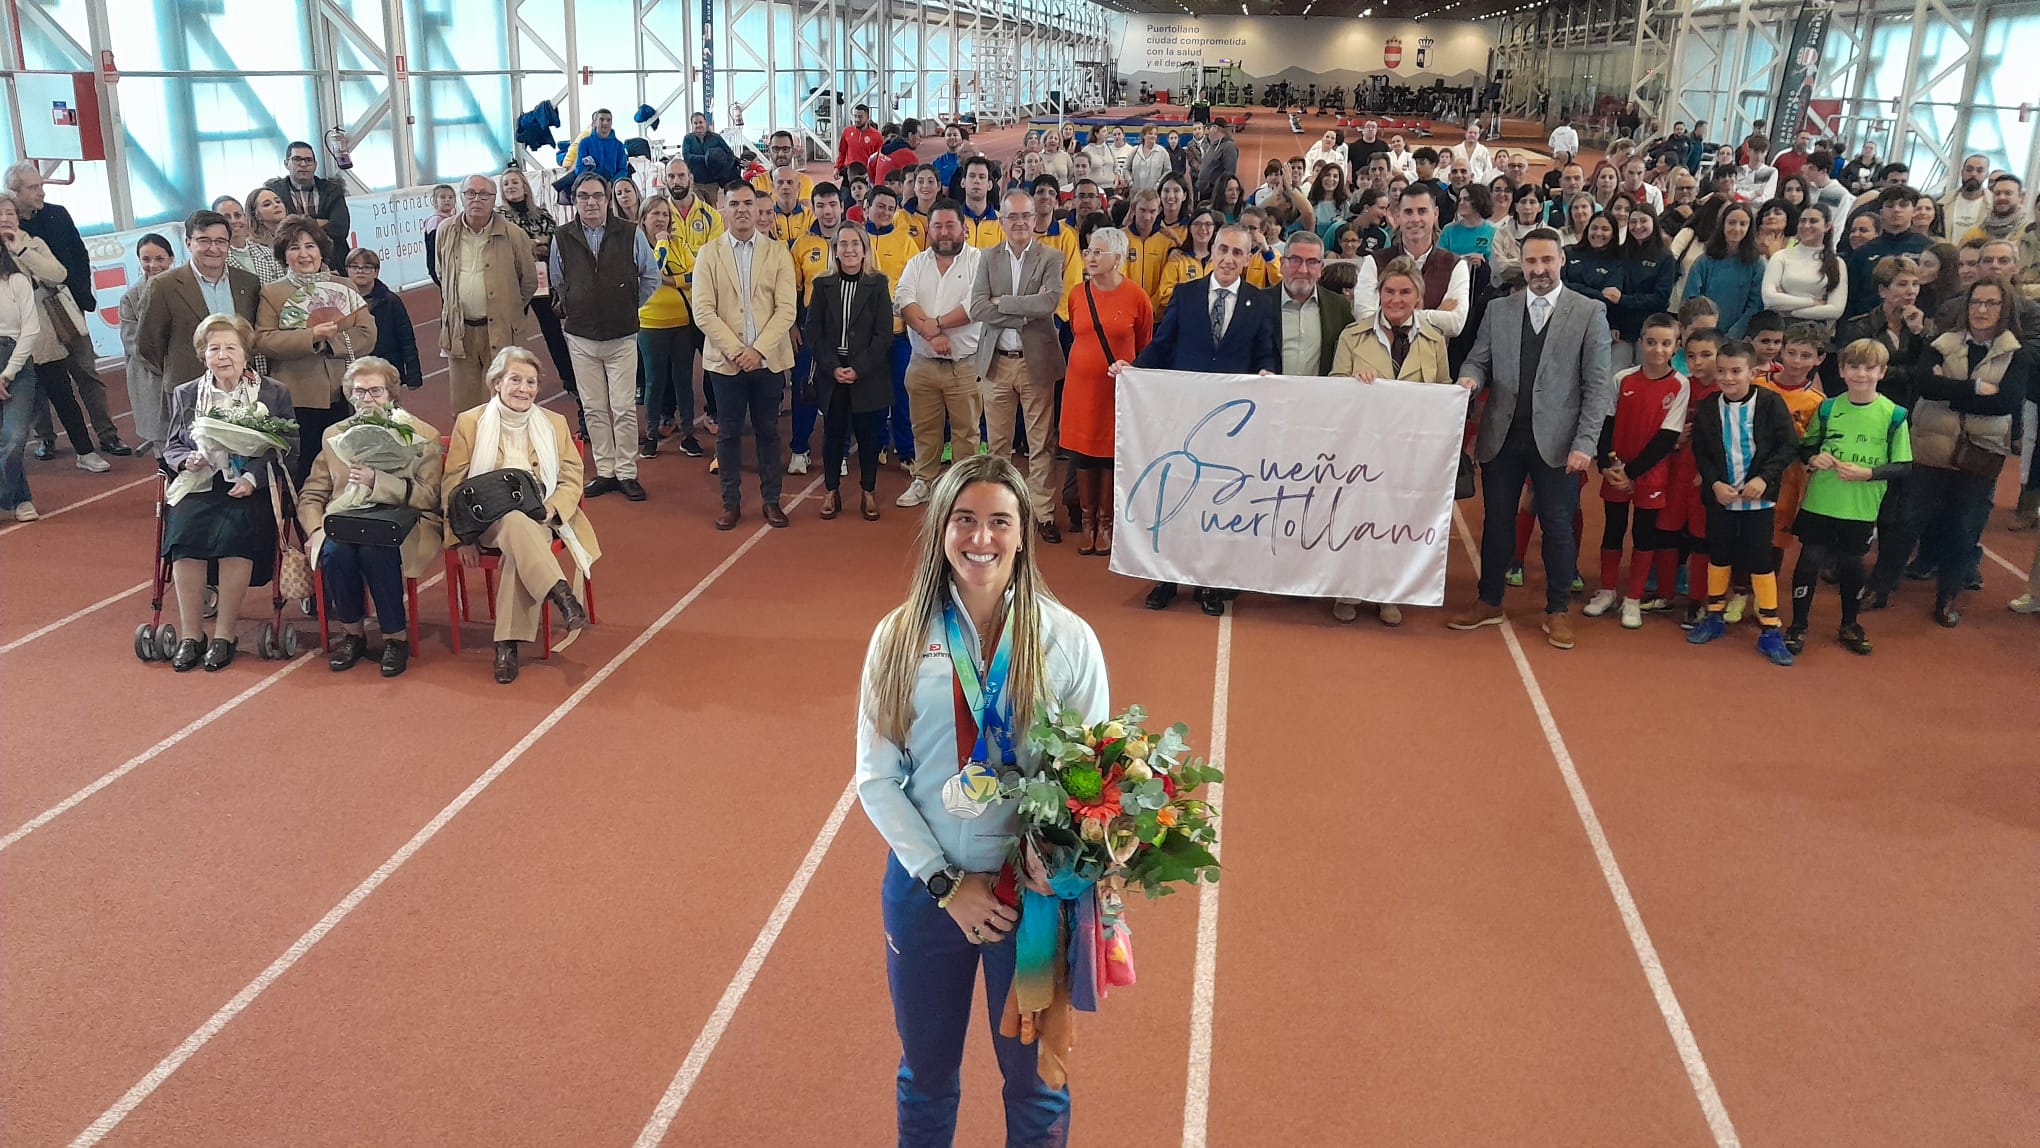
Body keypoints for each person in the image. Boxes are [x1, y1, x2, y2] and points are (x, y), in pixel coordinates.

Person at [853, 452, 1108, 1148]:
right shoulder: (900, 638)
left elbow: (1093, 781)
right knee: (926, 1074)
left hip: (1030, 902)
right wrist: (946, 884)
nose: (981, 538)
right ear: (941, 529)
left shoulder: (1067, 640)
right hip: (927, 894)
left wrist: (1058, 863)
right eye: (965, 520)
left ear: (1024, 532)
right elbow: (877, 777)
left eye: (1000, 521)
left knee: (1035, 1082)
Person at [1448, 228, 1615, 651]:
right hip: (1501, 437)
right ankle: (1489, 601)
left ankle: (1557, 609)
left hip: (1560, 444)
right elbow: (1478, 357)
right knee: (1497, 522)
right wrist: (1470, 376)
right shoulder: (1499, 310)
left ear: (1561, 260)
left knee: (1557, 527)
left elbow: (1597, 387)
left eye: (1547, 261)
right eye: (1531, 262)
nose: (1539, 270)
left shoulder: (1589, 311)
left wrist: (1585, 443)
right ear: (1521, 265)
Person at [1125, 222, 1280, 616]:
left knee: (1219, 499)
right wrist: (1134, 371)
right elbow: (1163, 344)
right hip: (1183, 416)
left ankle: (1211, 584)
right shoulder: (1186, 294)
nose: (1229, 259)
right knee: (1177, 493)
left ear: (1247, 259)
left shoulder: (1259, 302)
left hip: (1230, 423)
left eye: (1238, 253)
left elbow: (1266, 352)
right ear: (1211, 251)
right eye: (1223, 250)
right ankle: (1167, 578)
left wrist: (1266, 373)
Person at [1865, 278, 2034, 626]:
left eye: (1991, 303)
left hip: (1980, 455)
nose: (1982, 310)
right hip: (1930, 449)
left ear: (2006, 310)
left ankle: (1947, 598)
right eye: (1976, 303)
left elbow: (2006, 402)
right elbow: (1925, 385)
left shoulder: (2018, 352)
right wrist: (1975, 389)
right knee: (1906, 521)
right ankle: (1879, 587)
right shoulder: (1942, 342)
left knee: (1963, 528)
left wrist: (1950, 390)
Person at [443, 347, 597, 684]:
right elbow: (452, 485)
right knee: (513, 521)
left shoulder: (554, 423)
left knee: (519, 542)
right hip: (485, 521)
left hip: (542, 518)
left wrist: (553, 508)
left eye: (530, 382)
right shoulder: (470, 423)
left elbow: (572, 477)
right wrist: (462, 538)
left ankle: (506, 645)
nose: (523, 389)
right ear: (497, 382)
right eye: (515, 380)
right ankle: (561, 595)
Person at [160, 314, 298, 672]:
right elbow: (171, 445)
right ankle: (192, 635)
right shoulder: (187, 393)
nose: (222, 355)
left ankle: (224, 635)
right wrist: (183, 460)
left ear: (245, 352)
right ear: (202, 354)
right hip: (201, 482)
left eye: (230, 347)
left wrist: (253, 476)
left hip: (250, 486)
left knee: (236, 533)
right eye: (214, 348)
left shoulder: (272, 392)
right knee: (182, 537)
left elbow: (287, 446)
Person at [296, 357, 443, 677]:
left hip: (405, 523)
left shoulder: (422, 434)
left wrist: (379, 482)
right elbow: (312, 493)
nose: (367, 399)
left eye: (376, 391)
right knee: (336, 552)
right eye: (359, 392)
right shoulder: (335, 435)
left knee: (376, 549)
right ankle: (353, 634)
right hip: (345, 520)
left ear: (392, 394)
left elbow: (430, 497)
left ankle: (395, 638)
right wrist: (316, 529)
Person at [1328, 255, 1451, 626]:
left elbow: (1443, 391)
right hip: (1362, 448)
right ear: (1379, 294)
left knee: (1397, 519)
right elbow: (1332, 386)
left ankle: (1388, 592)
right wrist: (1353, 383)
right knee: (1356, 515)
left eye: (1405, 292)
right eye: (1389, 291)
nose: (1396, 299)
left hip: (1409, 451)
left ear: (1418, 297)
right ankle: (1348, 587)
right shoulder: (1352, 336)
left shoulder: (1434, 341)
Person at [1786, 339, 1912, 654]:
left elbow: (1903, 466)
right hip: (1821, 500)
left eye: (1869, 368)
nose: (1861, 374)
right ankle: (1798, 625)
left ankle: (1850, 624)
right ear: (1841, 370)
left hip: (1860, 507)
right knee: (1809, 560)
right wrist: (1814, 459)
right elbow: (1806, 446)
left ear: (1882, 372)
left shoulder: (1894, 415)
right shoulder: (1828, 408)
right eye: (1853, 366)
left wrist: (1868, 474)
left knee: (1851, 565)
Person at [1683, 339, 1798, 663]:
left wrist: (1764, 479)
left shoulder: (1771, 403)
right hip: (1721, 499)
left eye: (1736, 371)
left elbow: (1787, 445)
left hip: (1759, 503)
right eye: (1722, 372)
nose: (1728, 378)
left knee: (1760, 561)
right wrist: (1715, 482)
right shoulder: (1707, 407)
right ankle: (1715, 615)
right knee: (1719, 555)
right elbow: (1701, 452)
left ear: (1752, 372)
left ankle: (1771, 630)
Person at [693, 181, 799, 529]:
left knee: (769, 432)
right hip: (726, 363)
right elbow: (703, 311)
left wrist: (758, 351)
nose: (741, 209)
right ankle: (730, 502)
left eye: (748, 203)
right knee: (728, 434)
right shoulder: (709, 254)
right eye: (734, 203)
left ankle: (771, 500)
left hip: (767, 360)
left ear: (758, 210)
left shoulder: (778, 252)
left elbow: (786, 310)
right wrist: (739, 351)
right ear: (723, 208)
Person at [551, 171, 660, 502]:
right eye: (583, 196)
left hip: (622, 335)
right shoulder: (562, 237)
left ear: (608, 198)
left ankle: (627, 471)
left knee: (624, 407)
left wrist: (627, 306)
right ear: (575, 201)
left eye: (597, 196)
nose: (590, 202)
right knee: (595, 407)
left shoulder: (630, 234)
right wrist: (576, 305)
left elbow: (650, 277)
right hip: (581, 337)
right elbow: (558, 281)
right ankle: (605, 471)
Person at [968, 191, 1067, 541]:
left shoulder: (1052, 258)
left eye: (1027, 216)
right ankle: (1002, 513)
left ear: (1036, 219)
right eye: (1014, 217)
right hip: (996, 364)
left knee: (1041, 443)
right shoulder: (987, 258)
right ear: (1002, 221)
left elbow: (1049, 301)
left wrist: (1005, 303)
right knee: (998, 445)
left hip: (1035, 364)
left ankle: (1043, 513)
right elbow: (978, 307)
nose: (1021, 222)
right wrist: (1025, 310)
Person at [1583, 312, 1689, 629]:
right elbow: (1607, 423)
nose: (1658, 350)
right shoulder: (1623, 379)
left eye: (1666, 344)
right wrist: (1606, 464)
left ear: (1676, 347)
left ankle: (1633, 598)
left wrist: (1633, 472)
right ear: (1640, 342)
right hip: (1617, 469)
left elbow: (1667, 437)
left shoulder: (1679, 385)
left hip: (1651, 474)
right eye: (1652, 342)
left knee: (1644, 535)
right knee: (1613, 529)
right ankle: (1606, 591)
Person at [255, 215, 377, 485]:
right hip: (299, 396)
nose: (304, 254)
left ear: (321, 250)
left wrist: (330, 343)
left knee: (346, 463)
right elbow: (264, 340)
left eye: (310, 246)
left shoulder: (345, 286)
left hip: (345, 393)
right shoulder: (272, 293)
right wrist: (310, 336)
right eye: (294, 248)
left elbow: (367, 334)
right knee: (306, 467)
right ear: (284, 255)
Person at [1061, 227, 1152, 557]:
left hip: (1117, 391)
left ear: (1117, 258)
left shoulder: (1136, 296)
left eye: (1098, 252)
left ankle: (1108, 523)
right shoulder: (1076, 294)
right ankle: (1088, 523)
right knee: (1084, 455)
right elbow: (1076, 332)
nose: (1090, 257)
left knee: (1112, 455)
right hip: (1080, 389)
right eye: (1088, 251)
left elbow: (1144, 344)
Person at [894, 201, 985, 510]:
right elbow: (903, 299)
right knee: (924, 428)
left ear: (964, 228)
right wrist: (931, 335)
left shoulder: (978, 262)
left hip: (964, 365)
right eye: (938, 226)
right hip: (922, 363)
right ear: (929, 229)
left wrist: (938, 325)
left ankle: (962, 489)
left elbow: (976, 305)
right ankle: (924, 481)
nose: (944, 232)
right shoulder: (916, 263)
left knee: (966, 432)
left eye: (950, 225)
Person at [140, 209, 263, 421]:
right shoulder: (163, 286)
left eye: (221, 241)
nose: (213, 248)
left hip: (241, 387)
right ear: (188, 243)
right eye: (204, 240)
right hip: (190, 390)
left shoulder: (248, 282)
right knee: (195, 453)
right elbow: (149, 344)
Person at [806, 225, 893, 521]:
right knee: (832, 435)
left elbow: (884, 335)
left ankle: (868, 492)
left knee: (869, 437)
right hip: (833, 374)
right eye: (843, 244)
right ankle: (832, 490)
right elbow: (813, 332)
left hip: (868, 373)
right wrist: (833, 367)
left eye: (855, 243)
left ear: (865, 248)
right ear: (835, 250)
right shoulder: (822, 284)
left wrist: (859, 368)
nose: (850, 249)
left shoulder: (878, 283)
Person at [440, 174, 538, 415]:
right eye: (470, 193)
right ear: (461, 197)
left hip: (502, 332)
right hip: (460, 333)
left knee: (507, 405)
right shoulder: (446, 230)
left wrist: (507, 308)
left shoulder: (514, 235)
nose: (477, 199)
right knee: (465, 410)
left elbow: (529, 281)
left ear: (494, 199)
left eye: (484, 194)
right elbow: (441, 272)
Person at [497, 167, 579, 419]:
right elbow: (508, 247)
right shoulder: (498, 217)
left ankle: (570, 379)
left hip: (542, 282)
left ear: (525, 186)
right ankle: (507, 381)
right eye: (506, 184)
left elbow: (555, 242)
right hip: (512, 283)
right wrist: (535, 245)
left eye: (515, 182)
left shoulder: (541, 214)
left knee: (553, 330)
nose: (511, 186)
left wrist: (537, 246)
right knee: (510, 333)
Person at [1354, 185, 1472, 342]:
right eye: (1408, 212)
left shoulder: (1456, 265)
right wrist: (1433, 313)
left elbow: (1455, 324)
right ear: (1398, 216)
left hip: (1432, 363)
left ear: (1435, 214)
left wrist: (1390, 314)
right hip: (1380, 360)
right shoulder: (1374, 262)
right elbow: (1364, 318)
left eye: (1422, 211)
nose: (1415, 219)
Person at [635, 196, 700, 460]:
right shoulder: (637, 247)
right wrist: (661, 244)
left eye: (665, 214)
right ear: (643, 219)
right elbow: (651, 272)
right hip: (650, 324)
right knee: (654, 382)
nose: (661, 219)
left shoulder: (680, 244)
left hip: (682, 323)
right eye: (655, 214)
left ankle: (688, 434)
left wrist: (671, 282)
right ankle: (651, 433)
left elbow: (696, 274)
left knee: (684, 380)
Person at [118, 233, 175, 454]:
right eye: (146, 259)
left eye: (160, 259)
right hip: (150, 376)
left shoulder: (185, 288)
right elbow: (132, 342)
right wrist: (163, 365)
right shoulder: (130, 298)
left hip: (185, 373)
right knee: (162, 441)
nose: (153, 265)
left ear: (171, 258)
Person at [0, 238, 42, 522]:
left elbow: (31, 328)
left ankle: (5, 497)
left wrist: (7, 373)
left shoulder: (16, 281)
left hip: (16, 363)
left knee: (15, 437)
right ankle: (21, 499)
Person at [1841, 185, 1930, 319]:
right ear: (1881, 212)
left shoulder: (1927, 249)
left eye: (1903, 205)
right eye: (1890, 205)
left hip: (1913, 321)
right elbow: (1851, 297)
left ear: (1913, 211)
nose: (1896, 210)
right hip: (1868, 324)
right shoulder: (1863, 253)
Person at [342, 249, 423, 392]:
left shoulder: (391, 301)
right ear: (347, 270)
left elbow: (406, 339)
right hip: (353, 371)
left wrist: (413, 374)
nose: (360, 271)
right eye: (354, 267)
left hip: (385, 368)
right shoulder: (340, 301)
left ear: (376, 271)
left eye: (367, 267)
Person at [1683, 203, 1767, 334]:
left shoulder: (1757, 264)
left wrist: (1735, 333)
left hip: (1739, 337)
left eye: (1743, 224)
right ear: (1722, 224)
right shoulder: (1704, 261)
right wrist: (1705, 330)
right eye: (1732, 222)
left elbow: (1755, 305)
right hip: (1705, 335)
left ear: (1750, 227)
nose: (1737, 228)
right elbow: (1691, 299)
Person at [265, 141, 352, 264]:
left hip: (333, 261)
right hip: (291, 263)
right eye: (297, 159)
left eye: (308, 160)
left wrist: (296, 226)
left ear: (315, 165)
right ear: (286, 163)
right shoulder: (274, 192)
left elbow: (340, 228)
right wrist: (319, 222)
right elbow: (276, 229)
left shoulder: (332, 189)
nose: (303, 164)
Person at [1761, 203, 1847, 326]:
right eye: (1802, 221)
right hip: (1780, 330)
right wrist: (1812, 302)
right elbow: (1769, 299)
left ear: (1827, 226)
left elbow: (1836, 310)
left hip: (1815, 332)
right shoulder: (1781, 256)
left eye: (1813, 221)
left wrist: (1792, 312)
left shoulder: (1837, 263)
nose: (1806, 226)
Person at [214, 193, 286, 284]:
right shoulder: (217, 257)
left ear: (245, 217)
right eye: (226, 217)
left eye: (238, 215)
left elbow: (281, 287)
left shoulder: (267, 253)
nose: (233, 221)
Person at [682, 112, 741, 191]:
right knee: (697, 203)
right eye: (695, 123)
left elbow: (730, 154)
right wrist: (708, 158)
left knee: (712, 203)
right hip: (695, 182)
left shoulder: (716, 137)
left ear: (705, 122)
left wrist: (723, 171)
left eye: (700, 122)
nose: (698, 125)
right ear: (692, 124)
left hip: (712, 182)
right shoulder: (687, 138)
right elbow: (687, 157)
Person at [570, 108, 631, 183]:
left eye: (608, 120)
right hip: (590, 184)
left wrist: (611, 183)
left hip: (612, 186)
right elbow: (580, 169)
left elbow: (623, 170)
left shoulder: (619, 146)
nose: (605, 123)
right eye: (601, 120)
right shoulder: (584, 143)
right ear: (595, 123)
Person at [1941, 155, 1992, 240]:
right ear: (1962, 172)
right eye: (1969, 169)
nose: (1973, 174)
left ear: (1986, 175)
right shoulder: (1944, 203)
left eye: (1980, 171)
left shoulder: (1993, 205)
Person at [1195, 118, 1238, 203]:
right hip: (1205, 191)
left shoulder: (1229, 147)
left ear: (1216, 128)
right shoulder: (1213, 145)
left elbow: (1229, 172)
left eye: (1210, 128)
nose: (1209, 131)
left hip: (1215, 193)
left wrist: (1218, 190)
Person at [421, 183, 456, 284]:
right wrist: (438, 268)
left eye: (451, 197)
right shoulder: (435, 220)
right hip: (440, 266)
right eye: (442, 197)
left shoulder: (453, 219)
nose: (447, 200)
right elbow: (433, 246)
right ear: (435, 201)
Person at [837, 103, 883, 176]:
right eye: (855, 116)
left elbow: (879, 158)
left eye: (860, 117)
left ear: (868, 117)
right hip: (849, 172)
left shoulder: (877, 136)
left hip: (866, 175)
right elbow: (842, 152)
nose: (857, 119)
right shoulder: (847, 132)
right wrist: (837, 167)